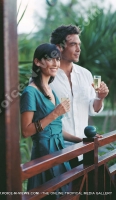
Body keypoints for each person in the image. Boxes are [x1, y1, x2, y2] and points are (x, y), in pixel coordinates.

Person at [20, 43, 82, 198]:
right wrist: (55, 113)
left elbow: (56, 128)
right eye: (50, 59)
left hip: (59, 151)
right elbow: (26, 131)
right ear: (38, 62)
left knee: (65, 193)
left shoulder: (51, 90)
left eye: (57, 59)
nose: (56, 63)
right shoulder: (30, 92)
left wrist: (81, 139)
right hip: (44, 154)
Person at [49, 25, 109, 167]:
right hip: (57, 151)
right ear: (59, 47)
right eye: (73, 44)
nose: (78, 49)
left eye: (79, 44)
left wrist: (100, 97)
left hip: (84, 148)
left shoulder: (85, 74)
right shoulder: (48, 77)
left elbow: (92, 109)